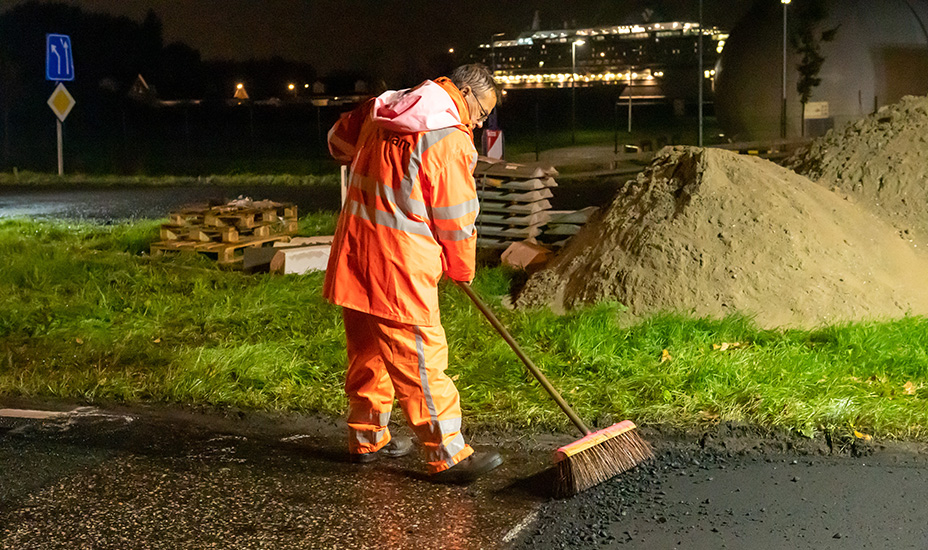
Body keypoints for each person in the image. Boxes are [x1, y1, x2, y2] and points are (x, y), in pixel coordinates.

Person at [323, 64, 502, 482]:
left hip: (354, 252)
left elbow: (336, 143)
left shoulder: (383, 108)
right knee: (421, 359)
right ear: (464, 93)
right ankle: (448, 454)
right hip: (398, 266)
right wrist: (462, 268)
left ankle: (367, 438)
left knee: (368, 352)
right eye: (481, 113)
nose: (479, 123)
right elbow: (456, 219)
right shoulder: (448, 139)